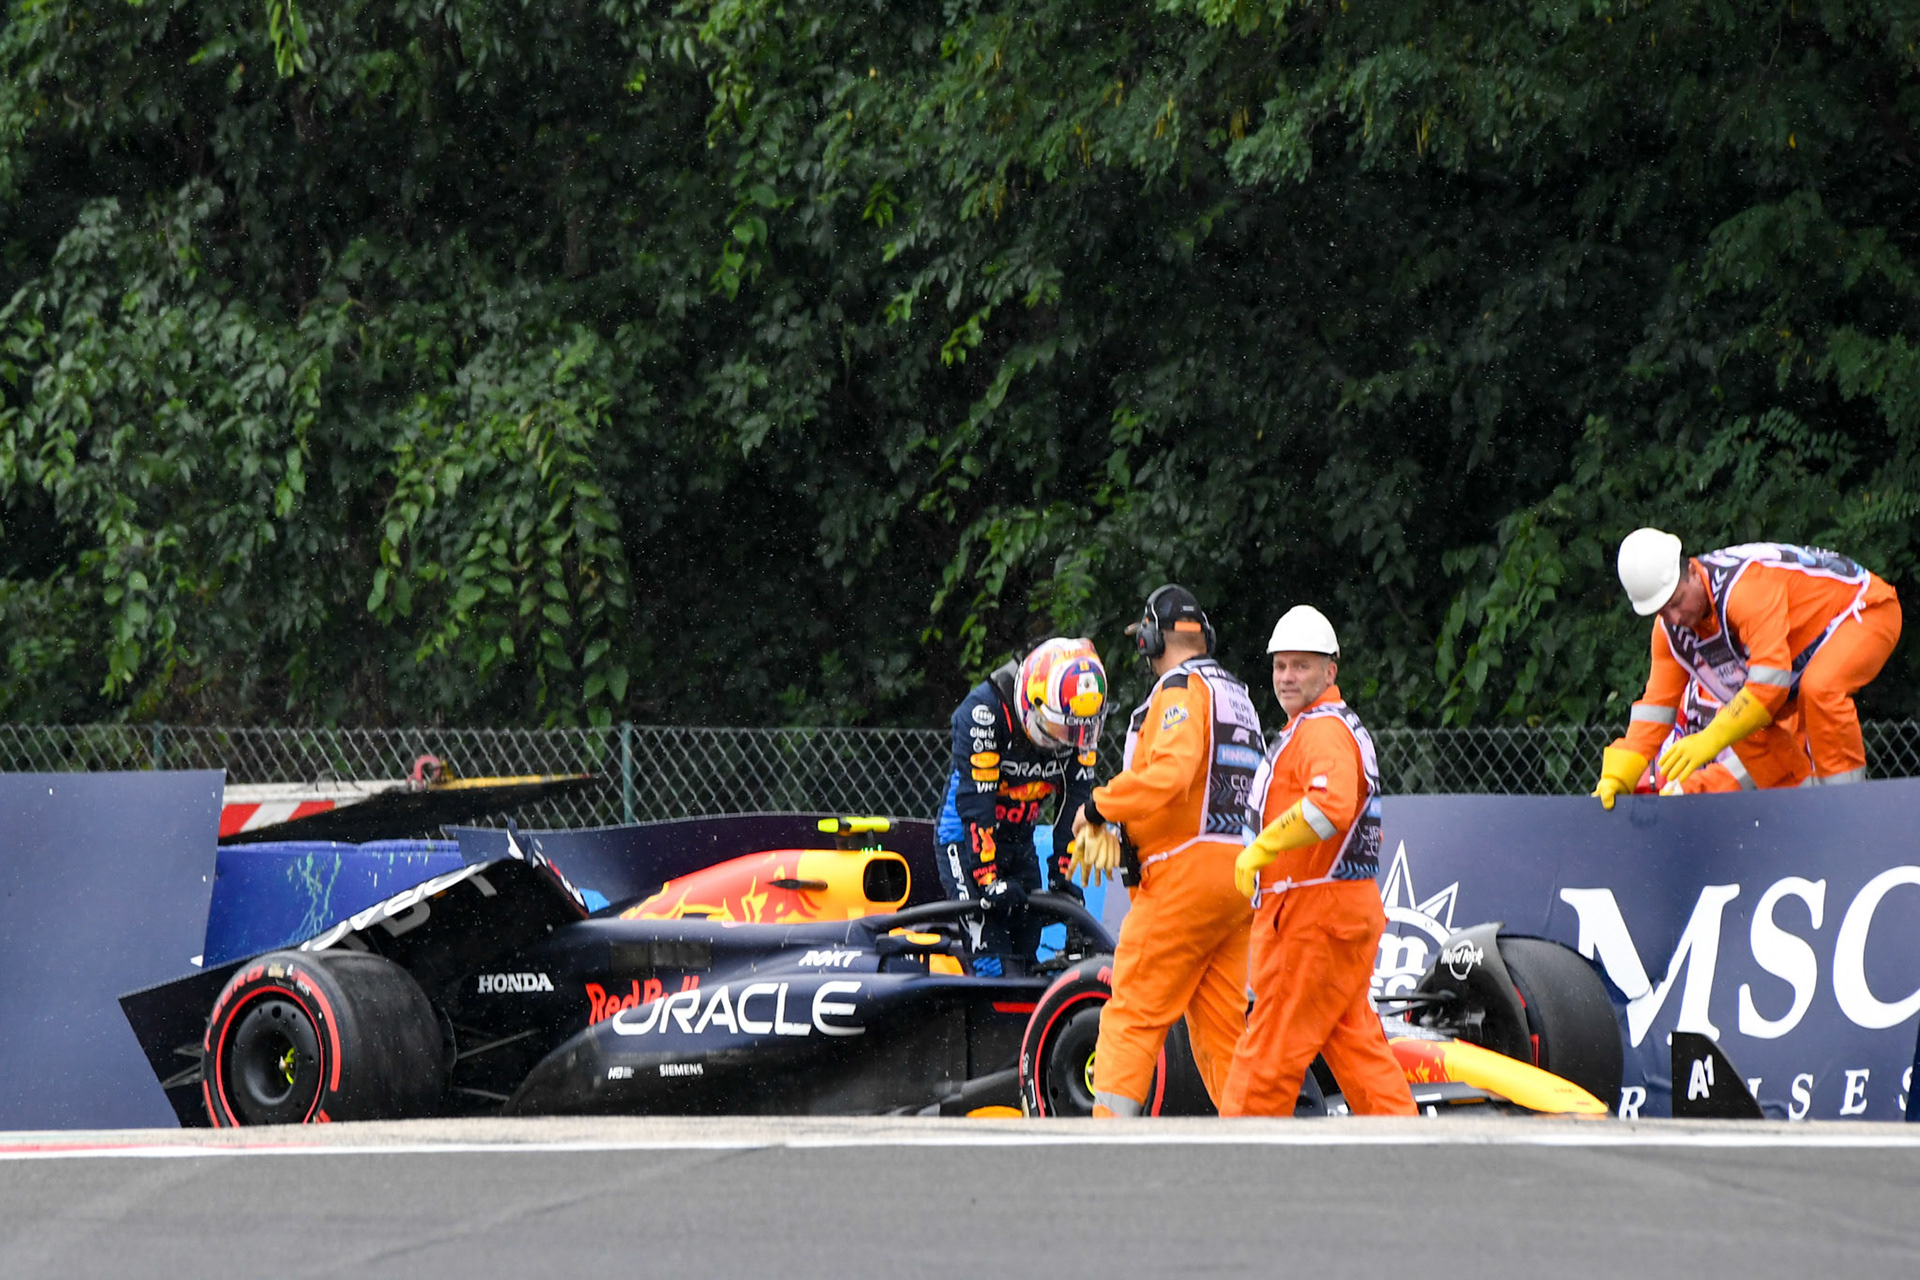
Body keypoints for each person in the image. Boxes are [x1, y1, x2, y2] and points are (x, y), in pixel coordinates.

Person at [1069, 585, 1263, 1116]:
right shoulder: (1236, 694)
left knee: (1131, 1014)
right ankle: (1258, 1143)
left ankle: (1107, 1139)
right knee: (1224, 1031)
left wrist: (1100, 806)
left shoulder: (1179, 690)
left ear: (1153, 637)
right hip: (1239, 881)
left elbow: (1172, 773)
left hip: (1183, 879)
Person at [1219, 607, 1416, 1117]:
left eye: (1301, 666)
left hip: (1313, 917)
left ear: (1331, 670)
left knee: (1268, 1050)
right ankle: (1413, 1148)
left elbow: (1330, 807)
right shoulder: (1317, 726)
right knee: (1356, 1046)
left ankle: (1235, 1162)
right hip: (1336, 914)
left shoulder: (1320, 731)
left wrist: (1263, 846)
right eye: (1281, 666)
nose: (1287, 677)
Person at [1592, 530, 1903, 805]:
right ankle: (1802, 811)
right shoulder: (1669, 633)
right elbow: (1656, 708)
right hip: (1799, 657)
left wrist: (1710, 738)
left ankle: (1847, 805)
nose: (1674, 618)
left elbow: (1771, 683)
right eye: (1662, 612)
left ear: (1691, 571)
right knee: (1743, 728)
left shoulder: (1745, 588)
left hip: (1864, 608)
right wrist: (1620, 772)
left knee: (1820, 688)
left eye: (1676, 602)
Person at [934, 636, 1108, 975]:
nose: (1071, 738)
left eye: (1079, 729)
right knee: (995, 966)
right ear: (1035, 702)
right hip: (965, 839)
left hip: (1020, 839)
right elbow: (976, 802)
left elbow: (1075, 801)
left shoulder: (1080, 726)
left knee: (1027, 957)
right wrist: (986, 878)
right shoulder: (984, 712)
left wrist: (1063, 874)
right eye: (1064, 726)